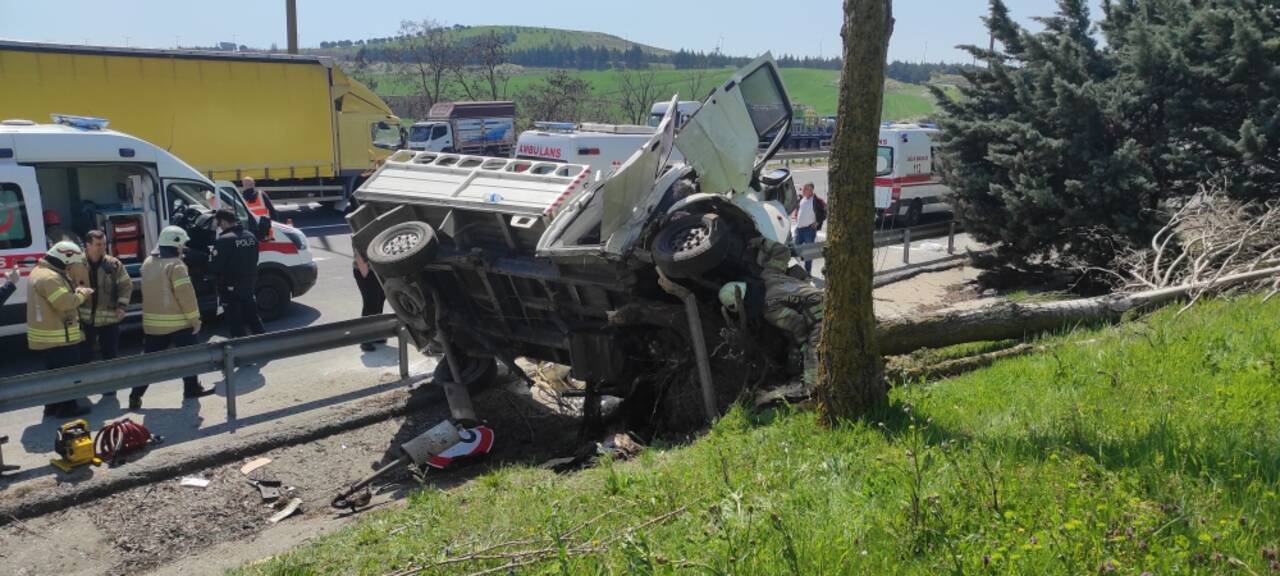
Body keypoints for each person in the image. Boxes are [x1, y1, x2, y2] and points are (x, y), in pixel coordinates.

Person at [719, 238, 824, 393]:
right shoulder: (768, 273)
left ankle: (813, 396)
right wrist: (761, 241)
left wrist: (801, 346)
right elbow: (782, 251)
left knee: (812, 361)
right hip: (826, 297)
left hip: (821, 316)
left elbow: (798, 324)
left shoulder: (769, 308)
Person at [132, 226, 214, 409]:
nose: (183, 249)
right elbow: (186, 296)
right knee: (190, 358)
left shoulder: (147, 263)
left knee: (150, 363)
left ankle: (135, 395)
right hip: (179, 323)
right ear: (176, 244)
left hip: (153, 325)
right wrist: (195, 320)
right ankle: (191, 389)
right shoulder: (176, 266)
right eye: (182, 245)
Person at [28, 241, 94, 417]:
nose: (71, 267)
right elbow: (65, 303)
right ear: (65, 258)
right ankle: (68, 407)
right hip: (59, 336)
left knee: (53, 373)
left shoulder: (39, 272)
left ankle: (52, 406)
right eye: (71, 263)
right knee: (67, 373)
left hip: (47, 336)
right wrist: (82, 293)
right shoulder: (51, 278)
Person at [71, 230, 134, 397]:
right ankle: (83, 387)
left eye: (104, 244)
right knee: (84, 356)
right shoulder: (75, 265)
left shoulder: (113, 264)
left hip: (109, 320)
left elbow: (125, 285)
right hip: (85, 320)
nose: (102, 248)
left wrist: (122, 306)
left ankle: (110, 387)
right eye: (98, 245)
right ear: (87, 245)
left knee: (110, 355)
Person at [209, 209, 265, 338]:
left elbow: (215, 267)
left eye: (218, 223)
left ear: (223, 221)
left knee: (235, 320)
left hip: (230, 286)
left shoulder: (223, 240)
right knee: (253, 316)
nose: (218, 226)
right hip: (249, 283)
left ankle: (240, 348)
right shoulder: (250, 236)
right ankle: (263, 342)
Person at [352, 249, 386, 351]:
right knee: (370, 304)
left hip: (379, 271)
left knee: (379, 301)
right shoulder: (358, 232)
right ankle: (365, 339)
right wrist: (365, 270)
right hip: (366, 270)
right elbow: (357, 247)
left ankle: (375, 334)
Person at [790, 183, 825, 274]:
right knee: (795, 249)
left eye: (806, 189)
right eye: (803, 189)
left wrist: (817, 222)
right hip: (799, 229)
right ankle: (796, 269)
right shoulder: (802, 199)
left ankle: (807, 272)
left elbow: (824, 212)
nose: (803, 190)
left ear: (811, 190)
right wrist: (797, 216)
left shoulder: (817, 201)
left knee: (808, 253)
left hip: (809, 230)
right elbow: (799, 209)